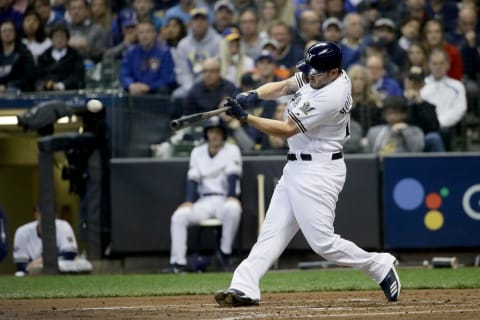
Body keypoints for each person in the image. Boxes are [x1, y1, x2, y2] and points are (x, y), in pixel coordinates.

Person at [215, 41, 401, 307]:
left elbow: (287, 129)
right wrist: (254, 94)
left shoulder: (332, 95)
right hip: (297, 167)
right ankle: (243, 286)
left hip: (319, 170)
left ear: (334, 72)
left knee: (323, 243)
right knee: (271, 233)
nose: (310, 75)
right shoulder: (319, 75)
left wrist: (247, 118)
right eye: (309, 70)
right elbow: (284, 86)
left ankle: (379, 265)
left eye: (317, 72)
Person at [163, 116, 243, 273]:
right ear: (206, 133)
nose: (215, 135)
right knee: (179, 216)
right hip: (204, 200)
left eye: (218, 131)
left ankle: (224, 253)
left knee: (233, 208)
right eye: (211, 131)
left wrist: (233, 196)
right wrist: (189, 201)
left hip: (224, 199)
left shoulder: (232, 150)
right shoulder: (197, 152)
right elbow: (192, 179)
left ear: (223, 134)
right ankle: (178, 263)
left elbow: (233, 176)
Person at [12, 206, 84, 276]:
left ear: (55, 215)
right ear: (36, 214)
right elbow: (20, 263)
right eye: (41, 213)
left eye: (50, 213)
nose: (46, 217)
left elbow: (70, 254)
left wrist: (42, 260)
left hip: (59, 271)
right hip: (33, 272)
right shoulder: (22, 231)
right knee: (19, 274)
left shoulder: (64, 226)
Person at [420, 48, 467, 150]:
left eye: (442, 63)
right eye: (435, 63)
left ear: (448, 65)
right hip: (423, 127)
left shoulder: (457, 86)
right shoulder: (421, 85)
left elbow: (459, 109)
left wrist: (439, 123)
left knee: (442, 133)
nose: (438, 67)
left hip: (445, 127)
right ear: (429, 65)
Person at [120, 19, 176, 95]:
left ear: (154, 34)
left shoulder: (164, 52)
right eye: (141, 32)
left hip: (155, 90)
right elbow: (124, 74)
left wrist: (149, 87)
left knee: (164, 89)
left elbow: (168, 78)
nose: (144, 35)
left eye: (148, 32)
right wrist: (131, 85)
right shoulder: (130, 52)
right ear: (137, 35)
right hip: (135, 89)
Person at [36, 23, 85, 91]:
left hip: (70, 91)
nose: (59, 40)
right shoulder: (43, 57)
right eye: (56, 36)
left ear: (67, 39)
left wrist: (61, 85)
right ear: (51, 39)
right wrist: (47, 84)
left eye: (62, 36)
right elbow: (39, 77)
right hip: (47, 91)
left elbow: (77, 75)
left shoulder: (76, 56)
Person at [0, 20, 36, 93]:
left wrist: (6, 86)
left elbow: (28, 78)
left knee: (11, 91)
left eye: (10, 30)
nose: (7, 33)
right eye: (4, 31)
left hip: (18, 89)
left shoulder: (25, 53)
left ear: (15, 33)